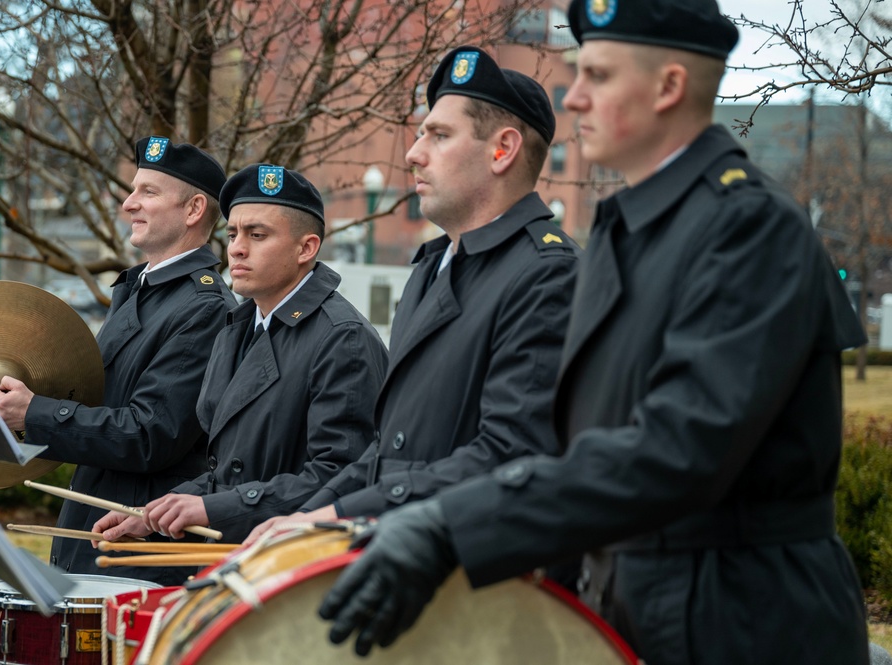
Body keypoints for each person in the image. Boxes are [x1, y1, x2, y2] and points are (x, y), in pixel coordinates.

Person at [317, 2, 872, 663]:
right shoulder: (624, 232)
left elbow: (675, 450)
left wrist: (452, 525)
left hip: (745, 621)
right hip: (639, 603)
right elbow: (573, 442)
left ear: (668, 87)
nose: (574, 99)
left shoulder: (751, 228)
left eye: (598, 76)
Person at [244, 46, 579, 546]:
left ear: (502, 150)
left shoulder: (547, 273)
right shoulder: (430, 269)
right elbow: (388, 451)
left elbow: (507, 456)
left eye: (439, 135)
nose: (413, 152)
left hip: (471, 576)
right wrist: (303, 518)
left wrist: (342, 515)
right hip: (402, 556)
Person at [92, 165, 388, 544]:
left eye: (257, 234)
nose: (236, 247)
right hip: (235, 554)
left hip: (292, 567)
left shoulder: (342, 338)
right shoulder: (238, 326)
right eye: (232, 233)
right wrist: (155, 512)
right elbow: (228, 471)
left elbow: (342, 476)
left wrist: (212, 509)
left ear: (306, 248)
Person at [0, 137, 236, 585]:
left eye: (148, 192)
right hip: (93, 523)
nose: (129, 204)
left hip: (138, 548)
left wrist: (36, 413)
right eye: (132, 190)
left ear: (194, 209)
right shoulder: (140, 289)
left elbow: (150, 434)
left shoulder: (204, 307)